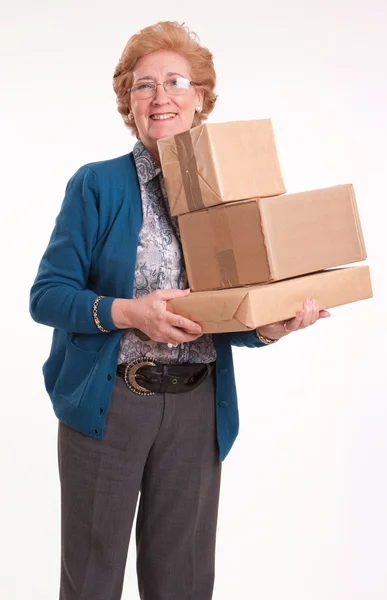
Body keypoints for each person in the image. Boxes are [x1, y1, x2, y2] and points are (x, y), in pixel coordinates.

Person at [30, 21, 330, 600]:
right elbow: (47, 295)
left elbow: (226, 312)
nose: (160, 97)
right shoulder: (97, 185)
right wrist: (129, 312)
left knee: (184, 584)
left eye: (174, 81)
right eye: (143, 86)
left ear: (201, 98)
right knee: (91, 582)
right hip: (110, 405)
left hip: (197, 408)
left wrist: (265, 328)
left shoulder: (226, 190)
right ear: (128, 103)